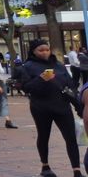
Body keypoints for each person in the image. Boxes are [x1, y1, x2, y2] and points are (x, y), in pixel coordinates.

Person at [21, 40, 82, 177]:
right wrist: (41, 79)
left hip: (62, 106)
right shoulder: (28, 66)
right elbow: (26, 88)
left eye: (47, 50)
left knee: (71, 138)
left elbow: (70, 85)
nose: (45, 52)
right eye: (41, 50)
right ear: (33, 52)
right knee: (44, 136)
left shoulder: (58, 65)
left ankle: (77, 170)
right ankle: (45, 166)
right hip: (41, 107)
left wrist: (78, 106)